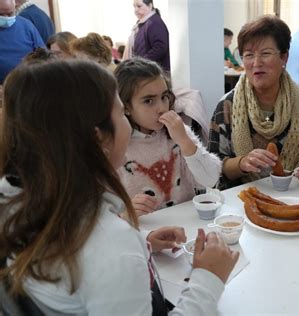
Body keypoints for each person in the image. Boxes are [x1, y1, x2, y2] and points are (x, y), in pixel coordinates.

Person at [0, 60, 239, 314]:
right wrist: (207, 281)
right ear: (98, 137)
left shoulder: (16, 198)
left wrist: (143, 241)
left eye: (164, 97)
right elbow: (108, 257)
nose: (160, 108)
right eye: (119, 111)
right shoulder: (112, 247)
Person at [208, 15, 299, 190]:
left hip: (296, 195)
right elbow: (212, 166)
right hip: (244, 200)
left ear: (284, 58)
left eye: (265, 53)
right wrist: (242, 163)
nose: (256, 63)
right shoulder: (227, 106)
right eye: (249, 55)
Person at [115, 57, 221, 215]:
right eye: (149, 101)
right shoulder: (117, 145)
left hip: (186, 223)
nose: (162, 108)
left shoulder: (177, 131)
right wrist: (126, 213)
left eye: (164, 97)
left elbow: (211, 178)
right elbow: (101, 214)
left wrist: (185, 141)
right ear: (126, 107)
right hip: (145, 231)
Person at [0, 0, 44, 84]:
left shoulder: (27, 26)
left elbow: (43, 55)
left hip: (27, 84)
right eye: (1, 14)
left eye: (10, 14)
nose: (6, 18)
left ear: (15, 7)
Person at [125, 0, 170, 72]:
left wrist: (141, 63)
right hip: (145, 69)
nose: (136, 10)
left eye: (139, 6)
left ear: (150, 5)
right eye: (134, 6)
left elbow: (160, 47)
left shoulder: (154, 23)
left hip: (152, 72)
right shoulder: (143, 23)